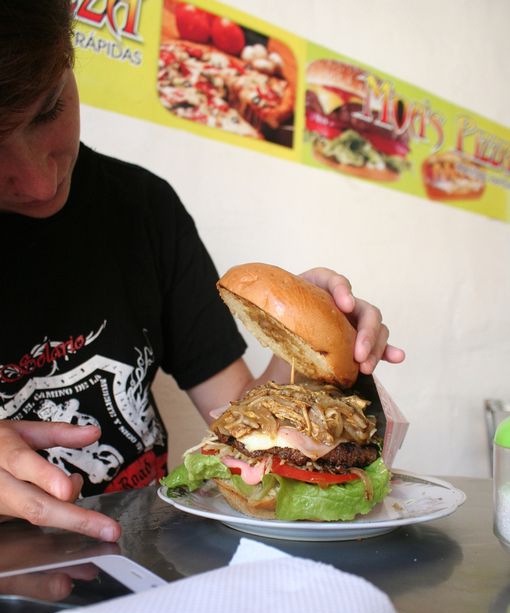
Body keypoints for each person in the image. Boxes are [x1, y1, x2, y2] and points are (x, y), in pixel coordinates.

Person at [0, 0, 405, 542]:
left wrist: (306, 344)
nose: (38, 182)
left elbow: (234, 416)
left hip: (148, 553)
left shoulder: (143, 208)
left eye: (49, 109)